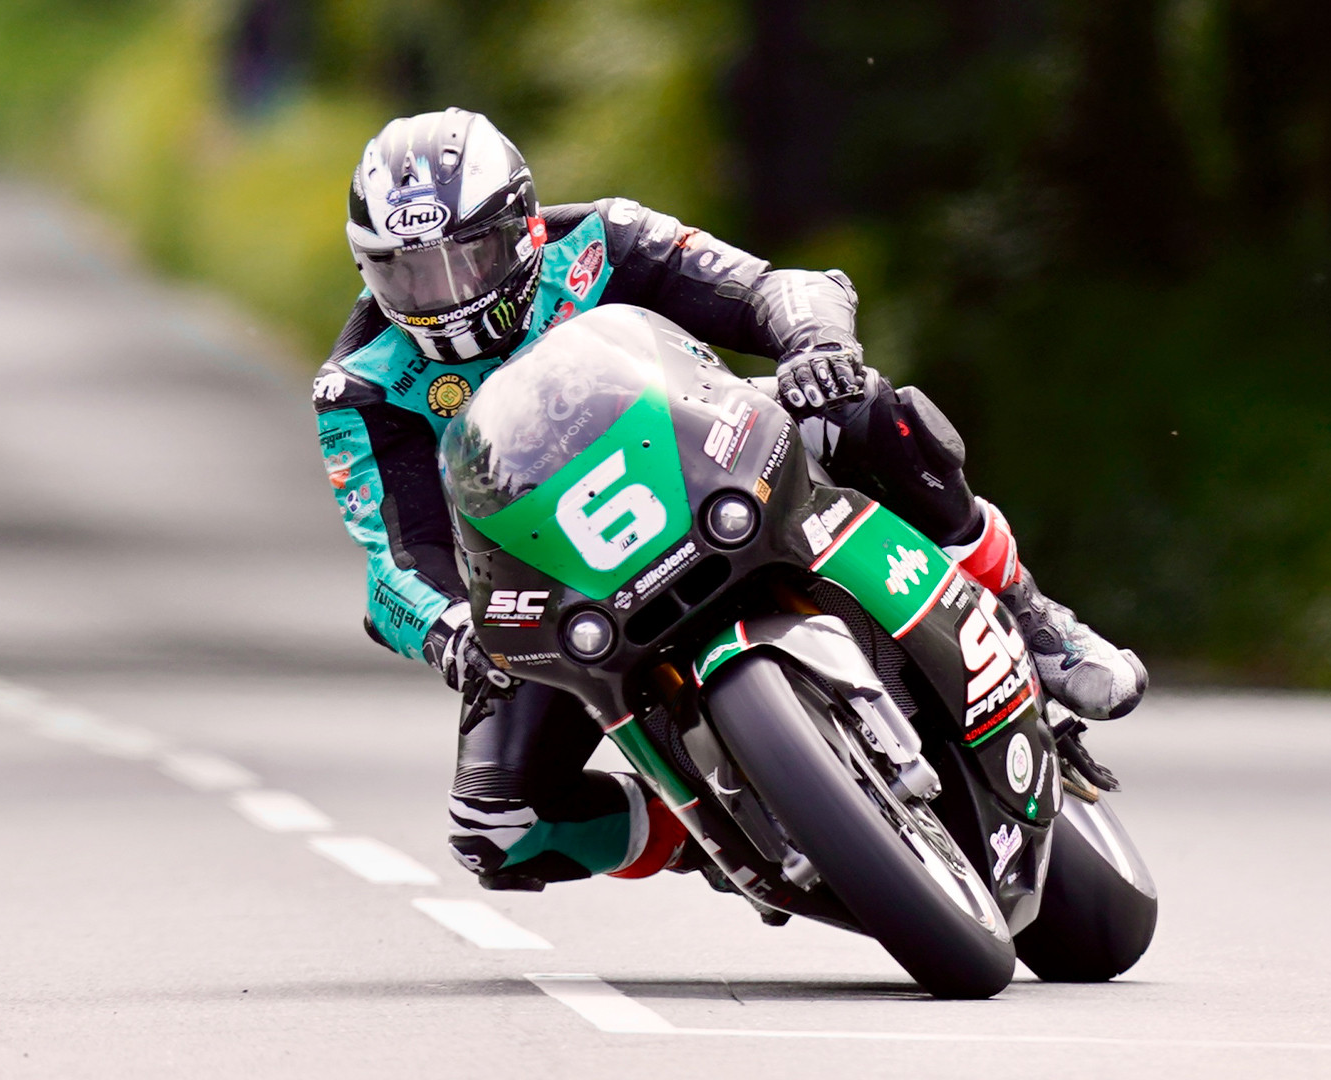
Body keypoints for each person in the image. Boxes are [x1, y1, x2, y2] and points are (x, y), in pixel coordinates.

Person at [313, 108, 1146, 890]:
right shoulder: (358, 388)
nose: (445, 294)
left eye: (469, 259)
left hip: (705, 457)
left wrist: (817, 346)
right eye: (408, 272)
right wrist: (450, 630)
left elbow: (780, 286)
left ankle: (1033, 618)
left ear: (525, 227)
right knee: (496, 828)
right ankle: (697, 827)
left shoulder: (606, 237)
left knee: (868, 412)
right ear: (366, 267)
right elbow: (396, 559)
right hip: (556, 573)